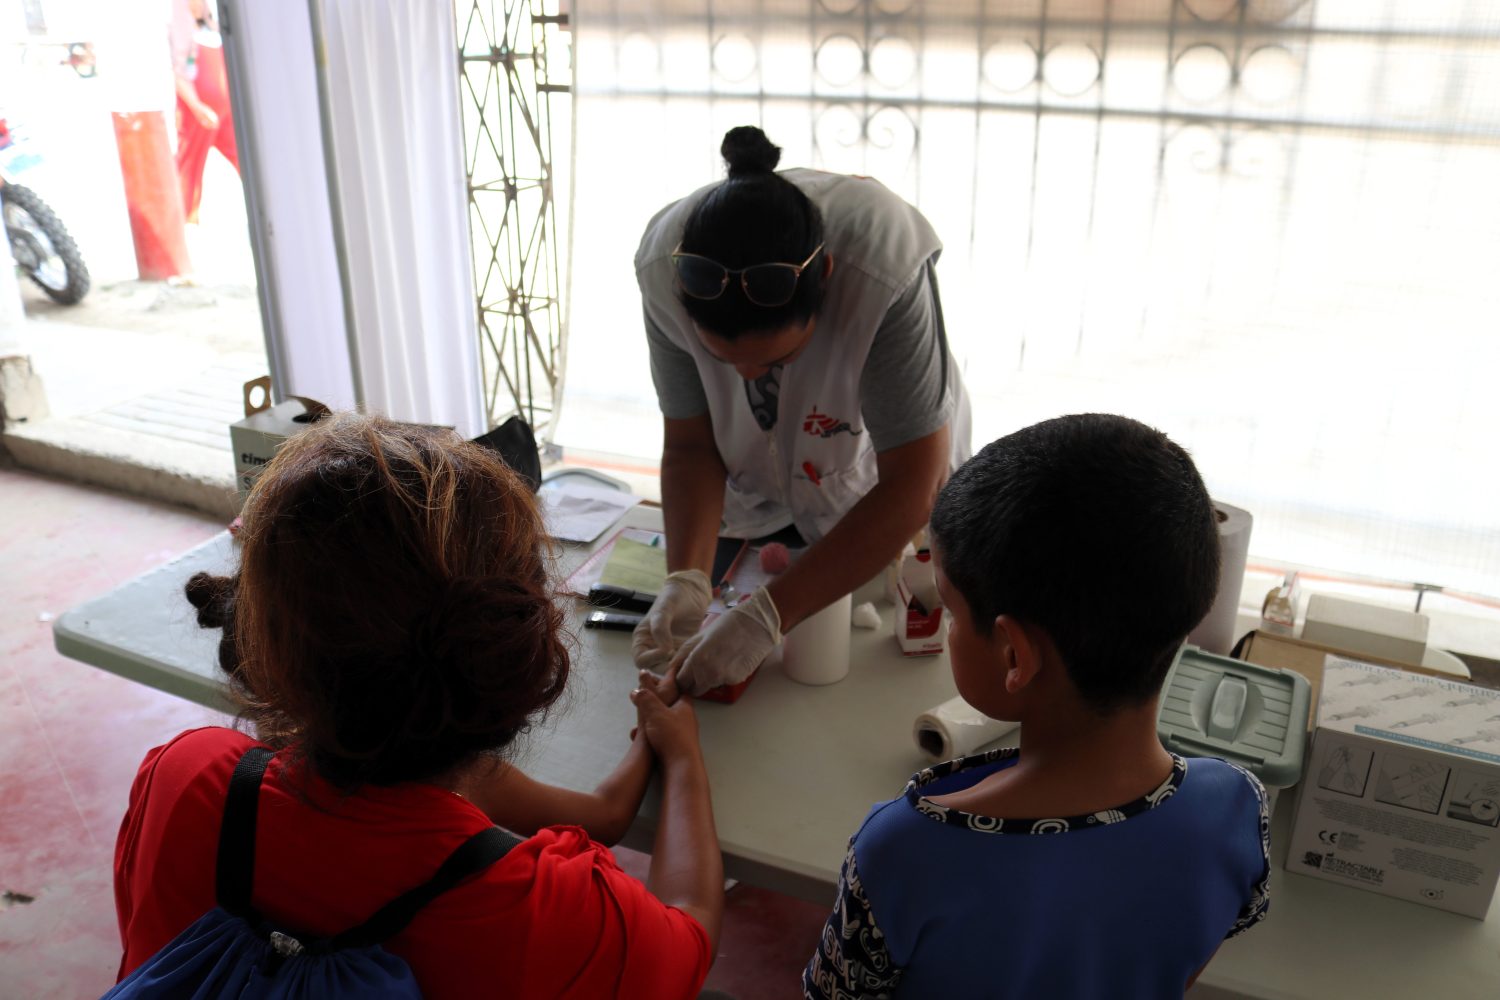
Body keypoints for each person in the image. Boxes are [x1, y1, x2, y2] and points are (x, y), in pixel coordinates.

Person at [112, 414, 722, 999]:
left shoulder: (187, 778)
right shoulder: (546, 914)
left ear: (263, 642)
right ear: (517, 650)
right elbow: (689, 928)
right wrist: (685, 757)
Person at [803, 414, 1271, 998]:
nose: (946, 628)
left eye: (950, 611)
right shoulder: (1236, 808)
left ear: (1014, 655)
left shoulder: (907, 849)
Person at [633, 125, 972, 694]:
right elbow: (691, 445)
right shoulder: (664, 273)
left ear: (828, 284)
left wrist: (766, 618)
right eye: (721, 360)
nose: (746, 379)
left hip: (873, 486)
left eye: (777, 359)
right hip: (766, 496)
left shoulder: (884, 269)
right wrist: (687, 576)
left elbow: (913, 483)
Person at [169, 0, 239, 223]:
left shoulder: (212, 22)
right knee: (188, 170)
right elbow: (177, 70)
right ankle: (182, 220)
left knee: (242, 156)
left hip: (225, 110)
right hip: (197, 112)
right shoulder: (179, 21)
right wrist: (198, 106)